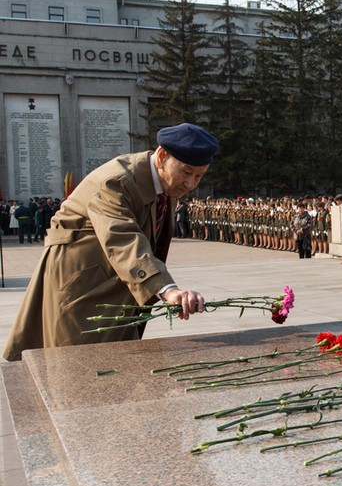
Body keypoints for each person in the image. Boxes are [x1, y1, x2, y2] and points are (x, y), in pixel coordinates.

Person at [3, 123, 219, 361]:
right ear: (162, 156)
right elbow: (122, 237)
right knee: (80, 363)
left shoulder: (165, 185)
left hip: (116, 283)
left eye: (199, 176)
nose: (191, 184)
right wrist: (167, 289)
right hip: (83, 286)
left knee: (116, 362)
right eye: (186, 172)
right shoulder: (116, 181)